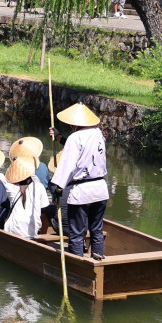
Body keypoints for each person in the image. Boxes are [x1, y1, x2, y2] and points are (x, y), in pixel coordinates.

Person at [48, 103, 108, 260]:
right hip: (100, 190)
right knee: (96, 229)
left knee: (76, 233)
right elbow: (84, 151)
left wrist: (56, 186)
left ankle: (77, 265)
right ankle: (98, 259)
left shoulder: (75, 137)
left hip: (82, 192)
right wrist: (59, 137)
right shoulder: (98, 134)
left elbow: (68, 164)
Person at [2, 156, 50, 239]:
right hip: (33, 231)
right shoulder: (38, 186)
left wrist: (14, 164)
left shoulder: (10, 188)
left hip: (13, 230)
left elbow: (7, 178)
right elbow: (44, 208)